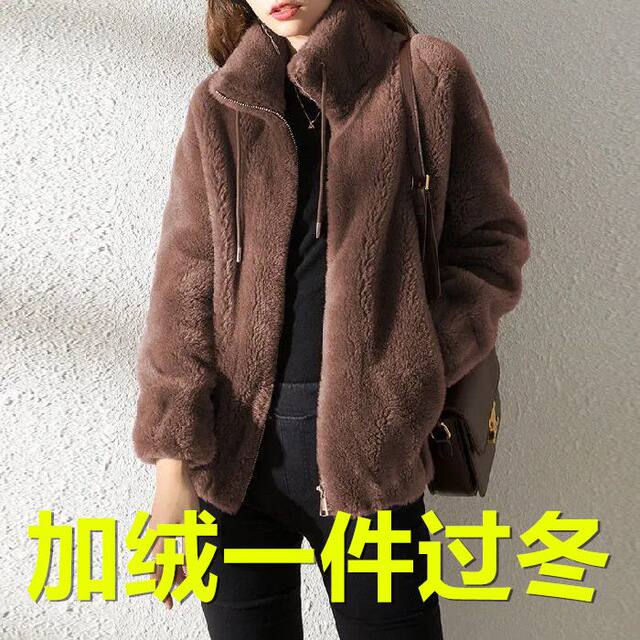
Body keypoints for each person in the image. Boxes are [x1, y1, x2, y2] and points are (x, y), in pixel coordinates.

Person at [131, 0, 531, 638]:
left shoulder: (425, 76)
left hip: (370, 459)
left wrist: (408, 373)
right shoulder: (221, 104)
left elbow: (490, 249)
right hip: (232, 468)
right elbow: (183, 293)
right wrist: (172, 469)